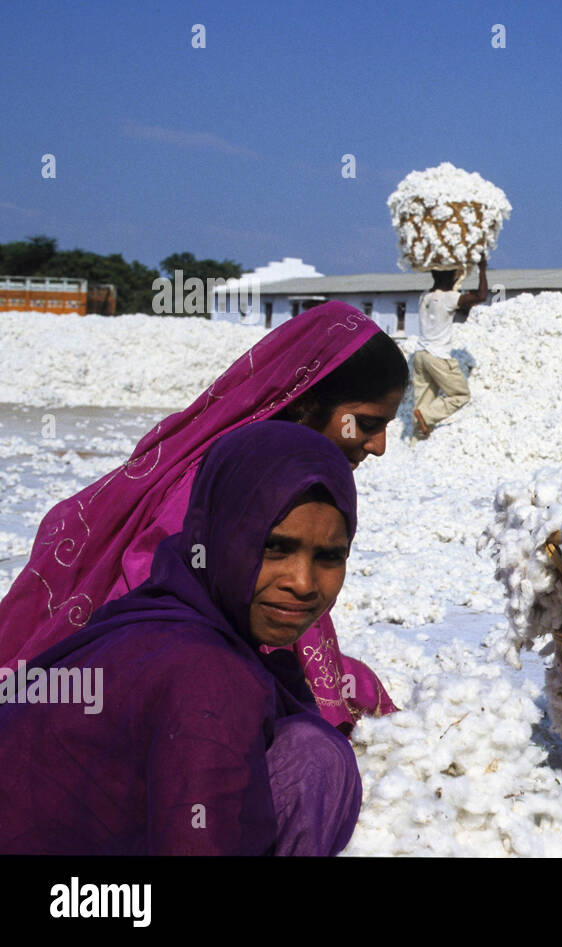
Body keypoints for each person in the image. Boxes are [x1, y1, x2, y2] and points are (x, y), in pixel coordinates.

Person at [0, 301, 406, 730]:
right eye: (364, 424)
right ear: (305, 403)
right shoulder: (221, 486)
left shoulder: (288, 475)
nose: (378, 446)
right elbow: (152, 613)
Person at [0, 422, 364, 855]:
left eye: (329, 556)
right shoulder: (207, 673)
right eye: (273, 548)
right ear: (220, 536)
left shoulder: (154, 614)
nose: (303, 582)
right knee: (316, 757)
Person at [411, 255, 489, 438]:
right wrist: (482, 269)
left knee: (423, 400)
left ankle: (419, 439)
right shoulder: (448, 298)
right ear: (451, 277)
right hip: (438, 356)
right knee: (460, 395)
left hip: (421, 355)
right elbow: (481, 296)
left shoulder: (425, 297)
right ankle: (427, 416)